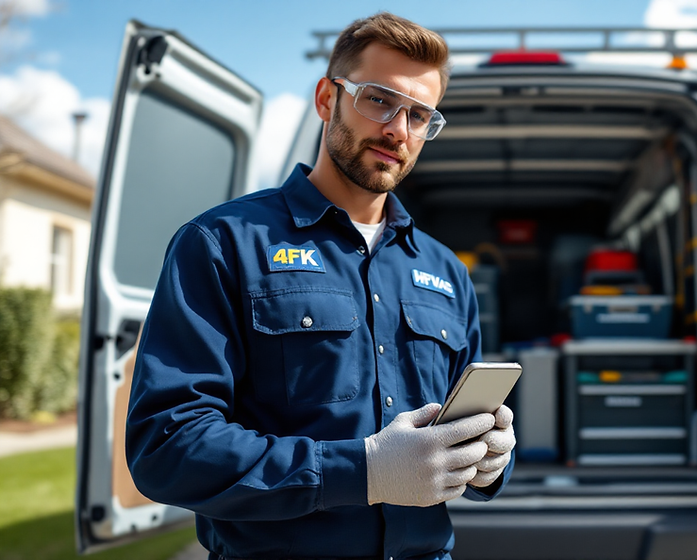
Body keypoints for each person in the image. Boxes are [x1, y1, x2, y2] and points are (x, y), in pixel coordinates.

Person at [126, 12, 516, 560]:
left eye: (420, 115)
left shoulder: (446, 271)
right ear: (327, 98)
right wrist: (364, 471)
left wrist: (490, 457)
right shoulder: (221, 244)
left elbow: (458, 428)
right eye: (379, 100)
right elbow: (167, 447)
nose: (398, 129)